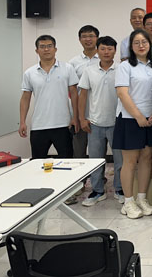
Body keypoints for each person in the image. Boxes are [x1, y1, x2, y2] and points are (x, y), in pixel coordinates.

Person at [113, 29, 152, 219]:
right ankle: (128, 201)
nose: (141, 45)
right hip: (129, 118)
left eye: (144, 42)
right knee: (130, 162)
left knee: (147, 159)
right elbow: (122, 93)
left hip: (151, 118)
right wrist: (138, 116)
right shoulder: (125, 66)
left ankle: (141, 198)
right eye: (136, 42)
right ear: (131, 46)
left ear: (150, 45)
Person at [79, 36, 124, 207]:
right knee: (95, 160)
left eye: (110, 49)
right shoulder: (89, 71)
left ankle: (120, 189)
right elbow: (83, 95)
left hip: (117, 122)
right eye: (103, 48)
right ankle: (98, 191)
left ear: (115, 51)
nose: (106, 52)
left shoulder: (121, 69)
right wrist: (82, 118)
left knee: (120, 160)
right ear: (97, 50)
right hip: (95, 123)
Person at [19, 35, 79, 159]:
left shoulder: (67, 68)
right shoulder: (29, 73)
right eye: (42, 47)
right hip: (39, 125)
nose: (46, 49)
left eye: (49, 46)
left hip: (63, 125)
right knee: (37, 162)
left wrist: (75, 117)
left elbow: (74, 94)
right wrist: (22, 121)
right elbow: (25, 98)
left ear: (55, 49)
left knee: (67, 161)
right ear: (37, 50)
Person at [68, 24, 100, 201]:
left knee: (98, 152)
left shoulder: (104, 58)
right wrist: (76, 116)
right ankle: (79, 184)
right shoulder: (73, 63)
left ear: (97, 38)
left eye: (91, 36)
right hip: (80, 114)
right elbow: (72, 92)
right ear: (79, 39)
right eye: (84, 36)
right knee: (79, 151)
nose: (88, 39)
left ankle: (99, 182)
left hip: (99, 114)